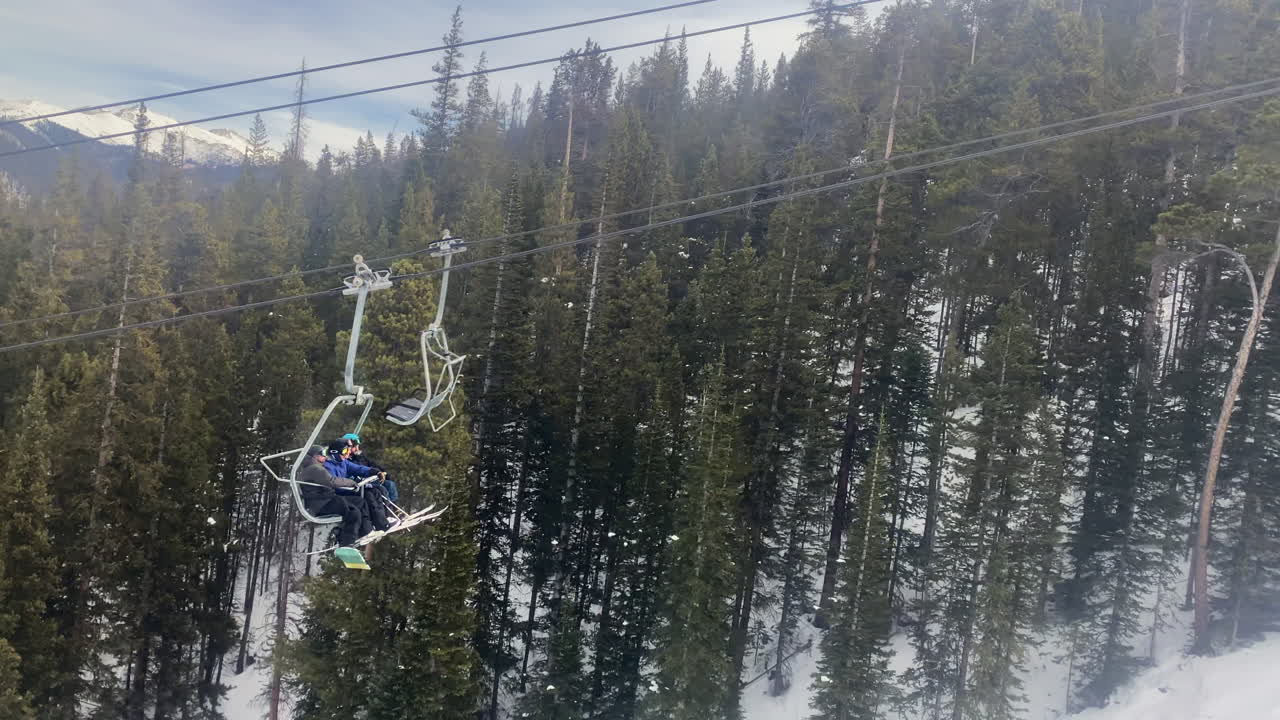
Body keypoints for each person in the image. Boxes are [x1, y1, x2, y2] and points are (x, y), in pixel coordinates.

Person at [297, 446, 364, 547]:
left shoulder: (311, 468)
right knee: (354, 514)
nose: (325, 456)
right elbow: (332, 481)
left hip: (322, 501)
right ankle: (347, 543)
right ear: (315, 456)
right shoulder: (315, 469)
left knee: (358, 501)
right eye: (323, 453)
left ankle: (346, 534)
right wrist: (352, 482)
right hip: (323, 504)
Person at [324, 440, 397, 530]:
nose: (347, 454)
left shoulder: (343, 462)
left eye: (348, 451)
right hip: (340, 493)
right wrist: (353, 486)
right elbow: (334, 484)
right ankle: (380, 524)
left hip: (348, 489)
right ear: (334, 453)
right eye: (344, 451)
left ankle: (385, 518)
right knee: (368, 495)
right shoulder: (327, 466)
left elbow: (358, 469)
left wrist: (374, 471)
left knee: (376, 491)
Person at [342, 433, 399, 504]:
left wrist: (383, 472)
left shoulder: (360, 456)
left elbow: (372, 464)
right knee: (381, 489)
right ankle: (388, 510)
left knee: (390, 484)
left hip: (372, 478)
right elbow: (356, 470)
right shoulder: (345, 460)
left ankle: (396, 509)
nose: (357, 449)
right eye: (354, 447)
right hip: (362, 482)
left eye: (358, 446)